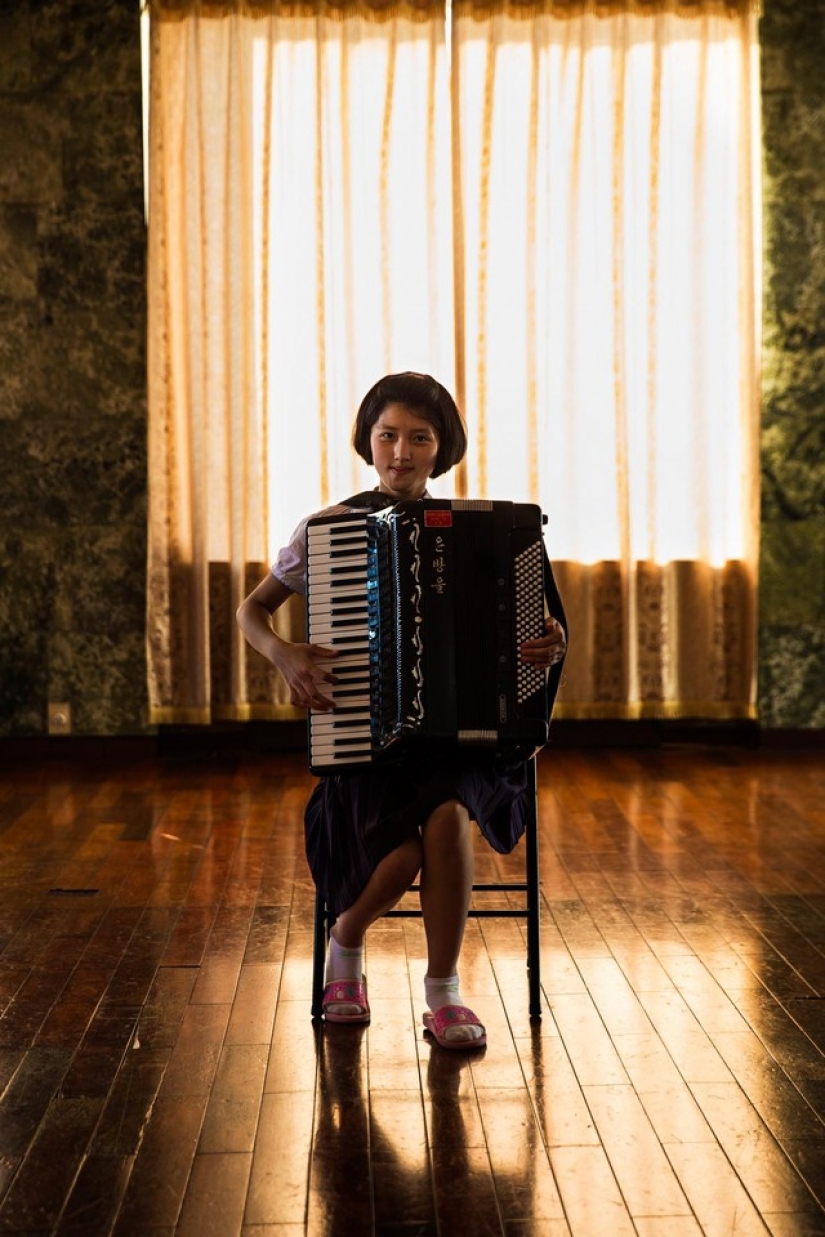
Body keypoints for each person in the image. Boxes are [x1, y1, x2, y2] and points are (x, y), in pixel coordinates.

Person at [236, 372, 567, 1049]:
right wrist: (284, 654)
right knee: (399, 855)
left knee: (447, 820)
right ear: (368, 440)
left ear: (441, 450)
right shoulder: (327, 529)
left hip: (462, 742)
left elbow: (531, 633)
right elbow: (252, 610)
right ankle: (345, 942)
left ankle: (443, 992)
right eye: (388, 435)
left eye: (420, 438)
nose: (401, 451)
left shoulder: (489, 533)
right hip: (365, 737)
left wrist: (549, 643)